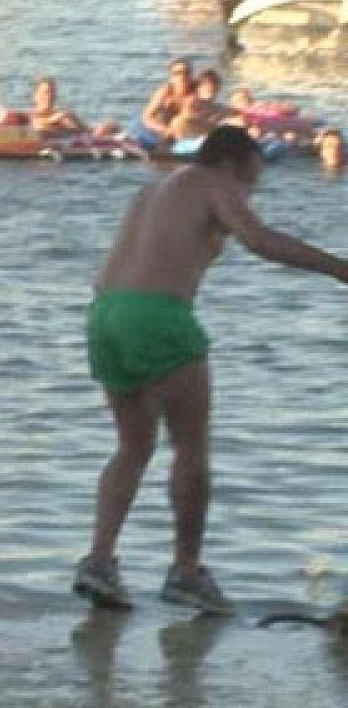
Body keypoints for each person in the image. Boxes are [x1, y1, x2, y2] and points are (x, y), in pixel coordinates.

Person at [75, 127, 348, 613]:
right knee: (191, 451)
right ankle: (185, 571)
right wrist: (338, 269)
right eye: (256, 166)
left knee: (133, 448)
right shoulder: (211, 181)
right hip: (159, 315)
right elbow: (259, 240)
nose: (256, 183)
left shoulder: (152, 189)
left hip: (106, 313)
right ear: (234, 158)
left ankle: (98, 561)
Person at [137, 57, 195, 148]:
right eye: (177, 73)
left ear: (191, 74)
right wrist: (166, 129)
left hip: (180, 131)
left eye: (186, 72)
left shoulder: (196, 91)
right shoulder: (165, 92)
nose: (182, 76)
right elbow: (146, 117)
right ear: (171, 77)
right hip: (154, 129)